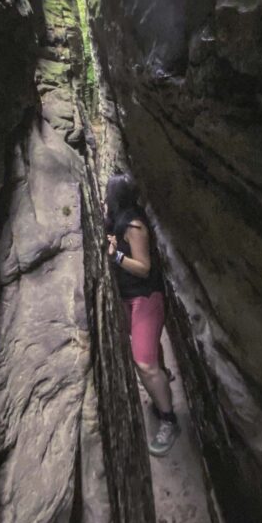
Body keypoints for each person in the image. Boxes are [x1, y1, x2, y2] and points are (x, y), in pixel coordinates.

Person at [104, 172, 180, 456]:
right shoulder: (121, 217)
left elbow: (144, 267)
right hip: (132, 297)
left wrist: (117, 257)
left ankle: (170, 420)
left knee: (144, 365)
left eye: (107, 192)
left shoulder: (134, 225)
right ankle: (164, 375)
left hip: (145, 298)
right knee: (149, 351)